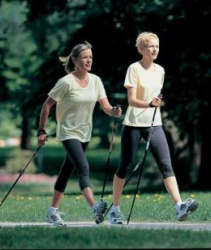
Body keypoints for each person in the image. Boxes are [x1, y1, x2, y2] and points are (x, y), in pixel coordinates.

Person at [108, 32, 198, 225]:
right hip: (133, 125)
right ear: (141, 49)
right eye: (150, 46)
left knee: (166, 165)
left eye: (157, 46)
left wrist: (156, 103)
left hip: (154, 125)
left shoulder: (160, 71)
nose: (154, 49)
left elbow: (156, 98)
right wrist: (149, 104)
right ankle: (114, 210)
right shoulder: (134, 68)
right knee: (124, 165)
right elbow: (131, 100)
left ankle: (179, 206)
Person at [37, 41, 122, 226]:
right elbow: (47, 106)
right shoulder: (65, 82)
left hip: (85, 133)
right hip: (68, 132)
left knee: (67, 170)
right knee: (83, 167)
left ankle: (52, 212)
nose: (89, 60)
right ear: (75, 60)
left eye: (91, 57)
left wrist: (113, 111)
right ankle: (94, 207)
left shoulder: (96, 80)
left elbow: (105, 106)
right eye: (85, 57)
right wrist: (41, 130)